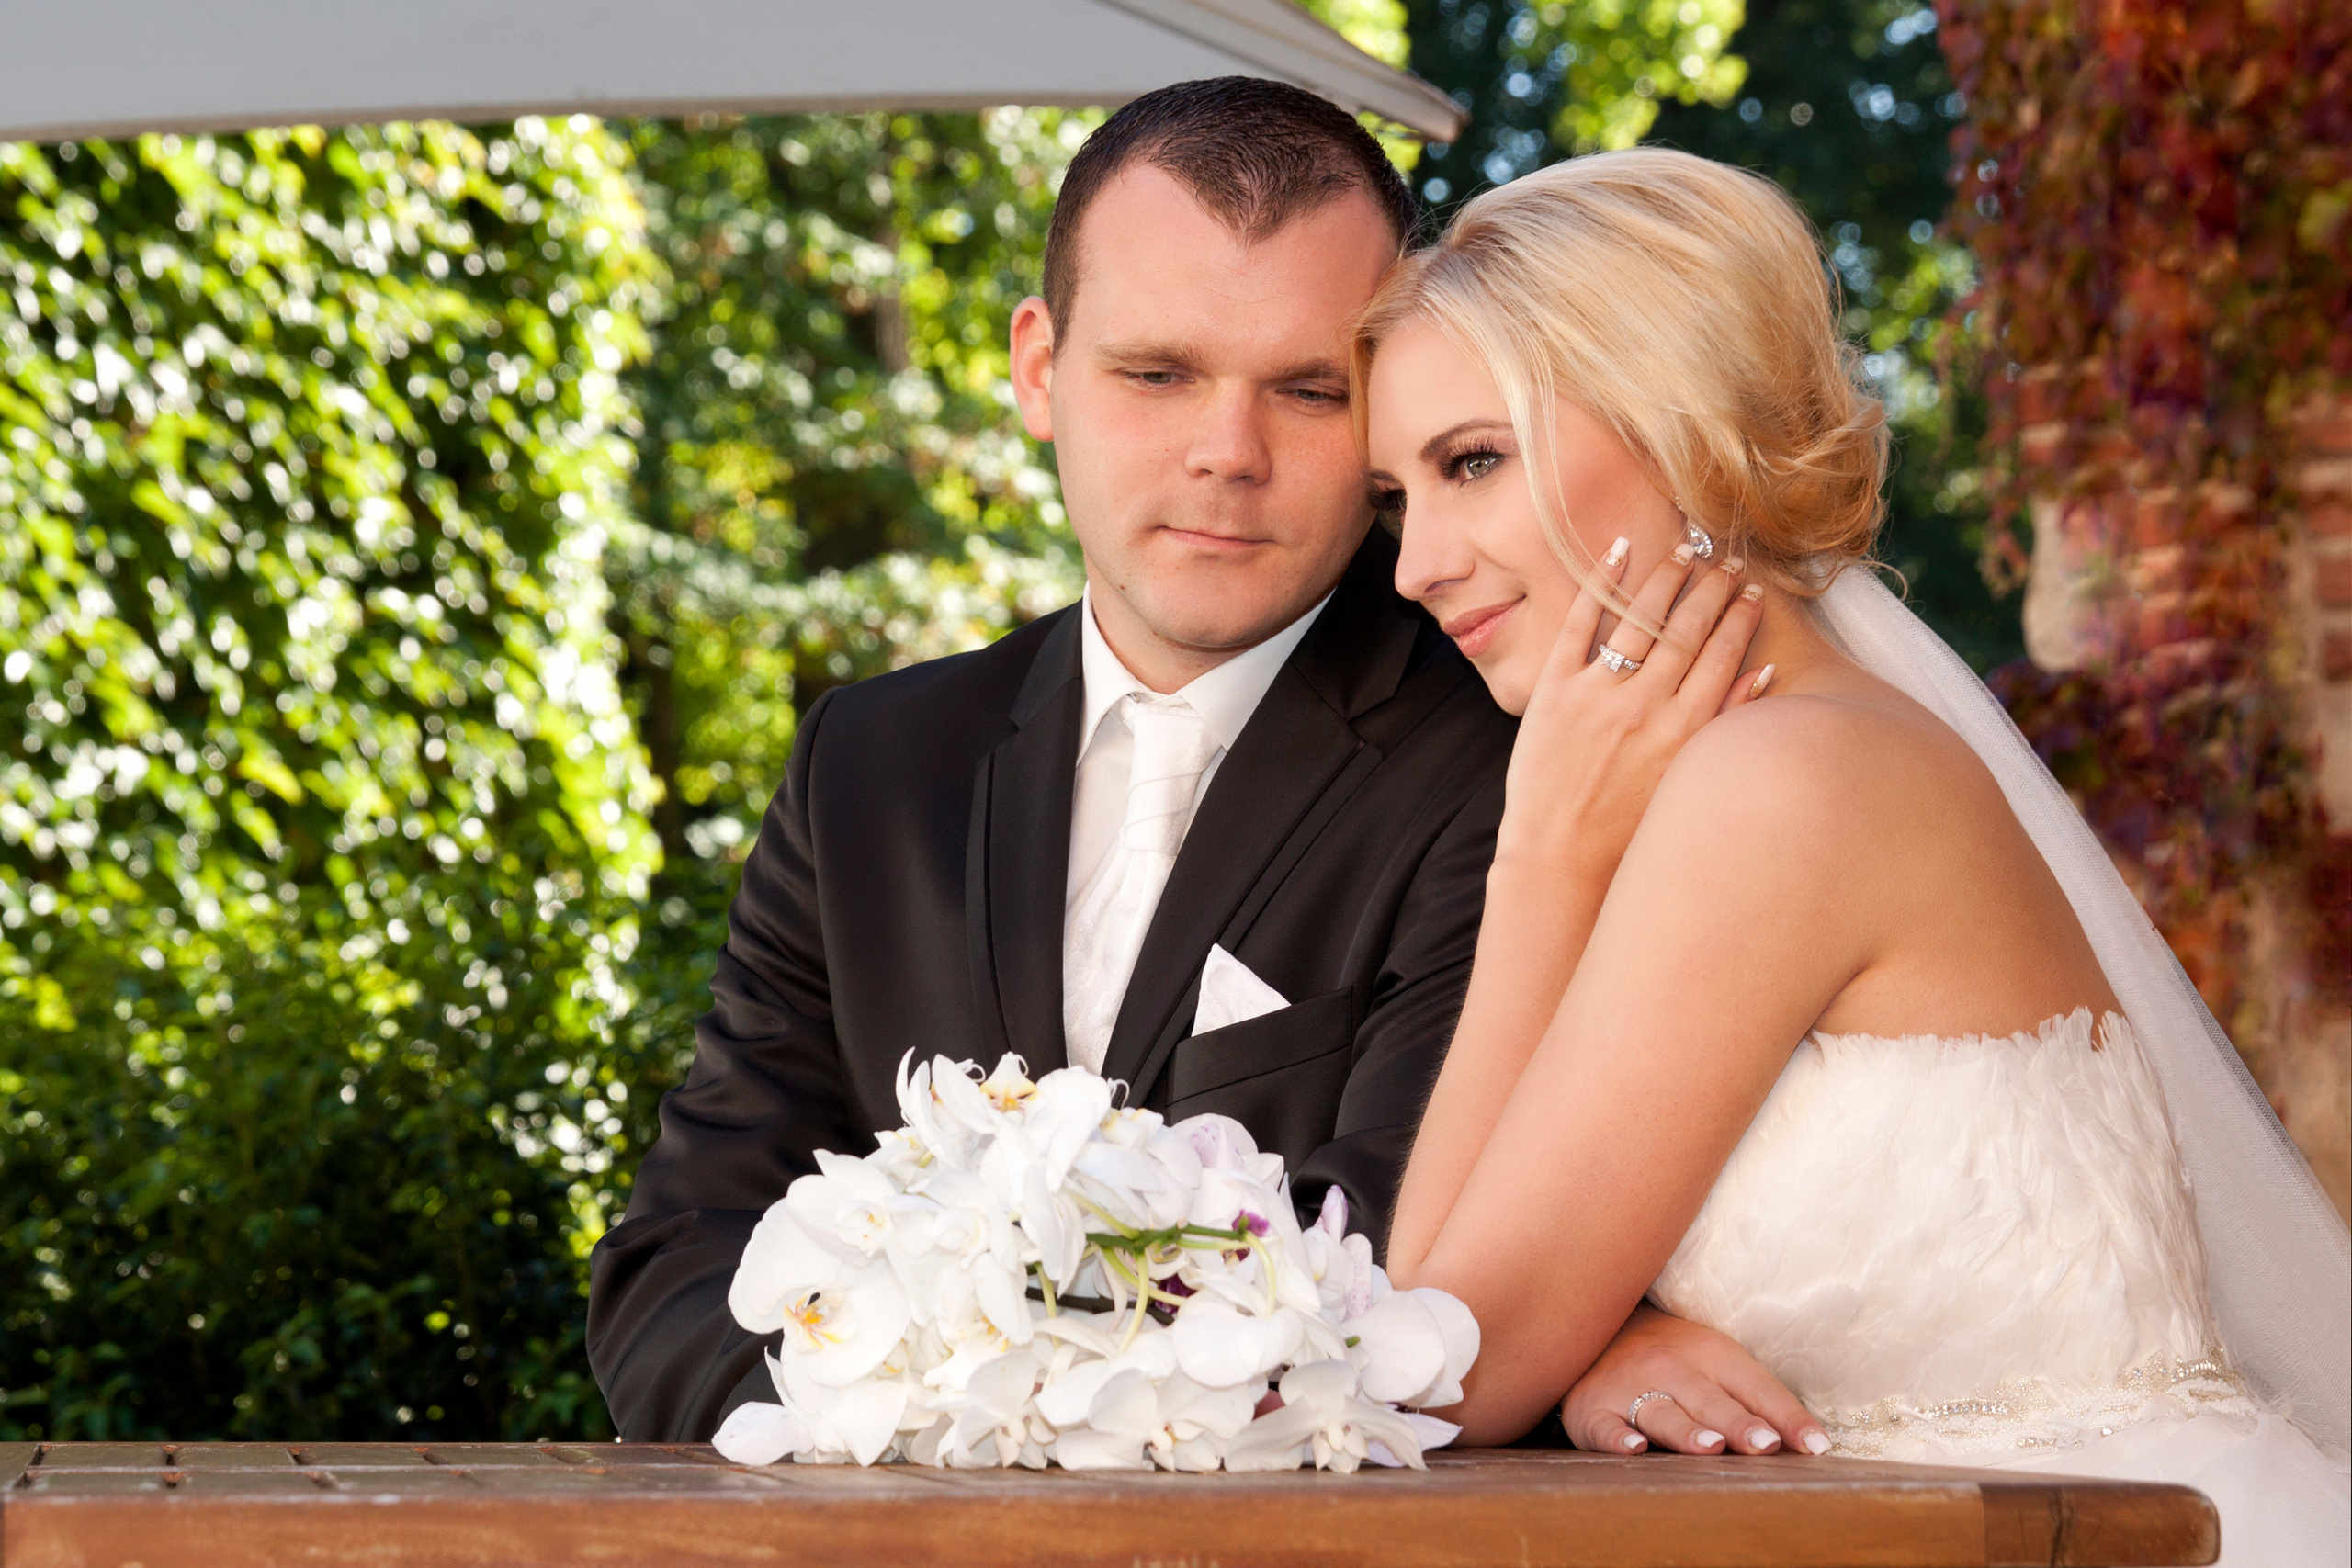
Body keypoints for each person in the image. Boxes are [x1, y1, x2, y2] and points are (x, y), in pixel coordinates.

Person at [588, 80, 1817, 1454]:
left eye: (1309, 390)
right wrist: (923, 1416)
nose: (1228, 454)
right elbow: (676, 1268)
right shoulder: (868, 768)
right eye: (1158, 374)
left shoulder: (1531, 757)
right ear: (1039, 368)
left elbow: (1412, 1285)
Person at [1358, 147, 2350, 1559]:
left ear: (1684, 427)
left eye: (1472, 463)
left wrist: (1539, 857)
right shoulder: (1772, 764)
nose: (1416, 566)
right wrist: (1610, 1332)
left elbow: (1444, 1369)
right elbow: (1456, 1313)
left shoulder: (1784, 785)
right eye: (1396, 499)